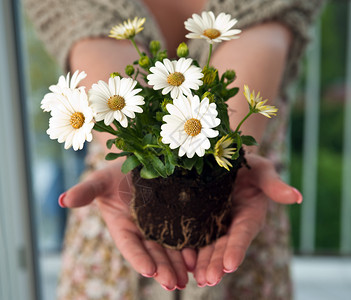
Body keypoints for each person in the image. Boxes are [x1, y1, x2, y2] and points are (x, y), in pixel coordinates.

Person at [24, 0, 324, 299]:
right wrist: (135, 149)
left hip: (241, 217)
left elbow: (264, 25)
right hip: (119, 213)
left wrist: (228, 151)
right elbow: (91, 32)